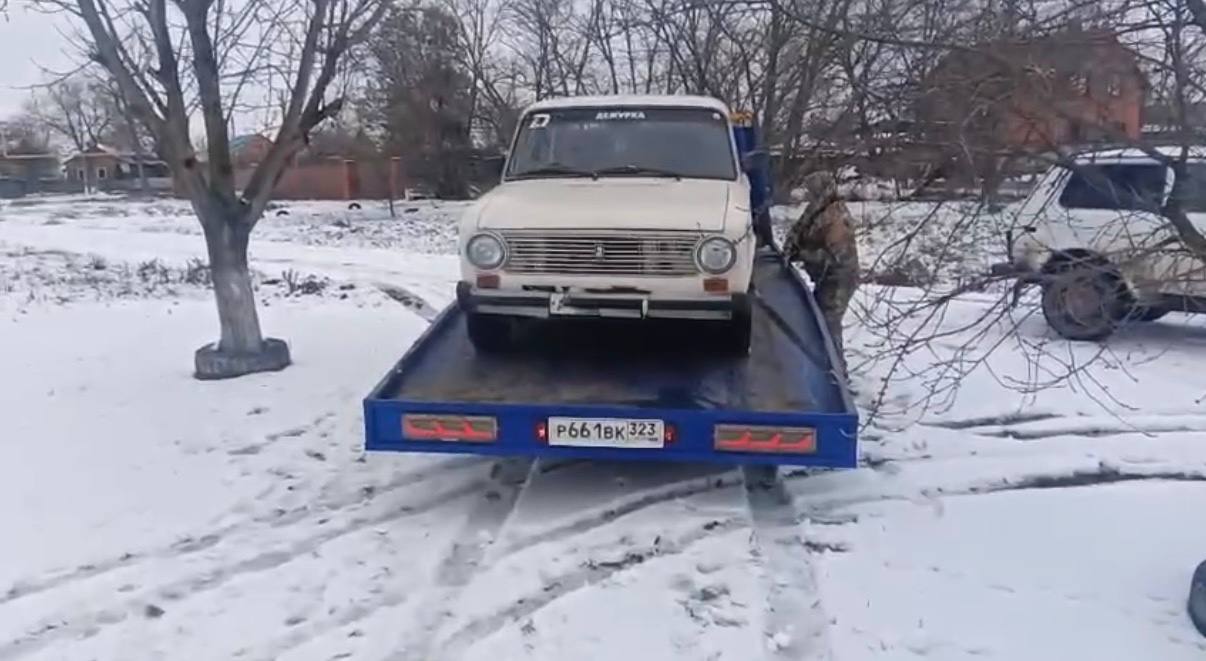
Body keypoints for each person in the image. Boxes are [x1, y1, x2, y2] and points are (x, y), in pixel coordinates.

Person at [783, 170, 860, 376]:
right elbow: (800, 232)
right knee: (818, 322)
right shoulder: (817, 211)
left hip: (839, 279)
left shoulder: (837, 217)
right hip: (825, 278)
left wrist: (803, 254)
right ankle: (825, 366)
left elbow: (835, 257)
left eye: (812, 189)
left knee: (829, 324)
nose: (808, 194)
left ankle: (837, 372)